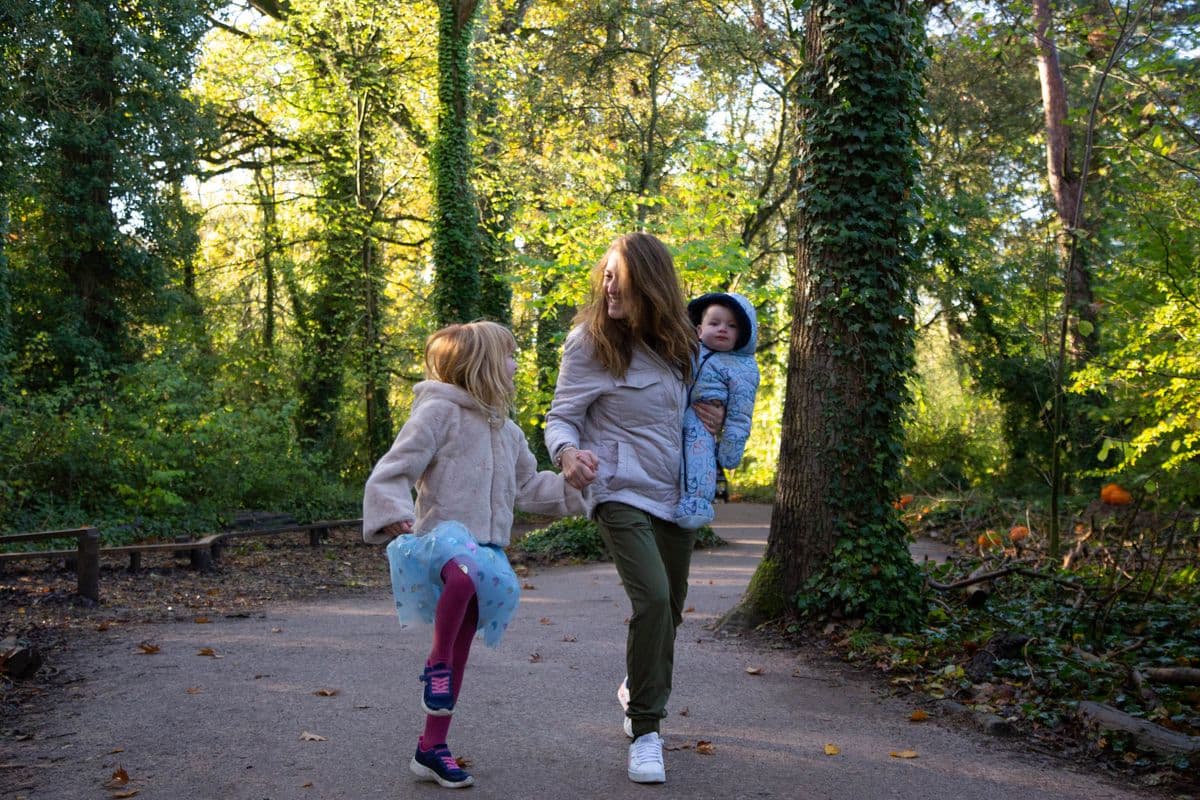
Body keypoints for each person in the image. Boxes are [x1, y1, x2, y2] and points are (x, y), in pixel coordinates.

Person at [362, 321, 584, 789]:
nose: (516, 364)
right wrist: (393, 512)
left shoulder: (508, 431)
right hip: (440, 541)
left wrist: (571, 485)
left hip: (486, 550)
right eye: (509, 356)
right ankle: (436, 662)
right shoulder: (438, 412)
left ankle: (431, 747)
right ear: (481, 364)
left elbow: (528, 486)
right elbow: (395, 467)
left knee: (466, 631)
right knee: (461, 576)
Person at [544, 232, 723, 785]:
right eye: (605, 276)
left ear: (650, 283)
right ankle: (646, 731)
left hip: (676, 493)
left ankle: (637, 684)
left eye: (619, 277)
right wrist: (568, 454)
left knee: (671, 610)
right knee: (653, 599)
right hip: (617, 487)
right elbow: (561, 416)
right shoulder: (589, 343)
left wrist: (713, 416)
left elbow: (700, 403)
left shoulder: (682, 344)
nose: (609, 287)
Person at [674, 292, 760, 529]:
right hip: (672, 412)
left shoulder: (742, 368)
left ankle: (697, 503)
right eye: (715, 323)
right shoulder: (688, 350)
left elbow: (740, 414)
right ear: (699, 330)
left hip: (702, 417)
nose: (723, 329)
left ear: (742, 334)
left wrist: (731, 449)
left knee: (699, 453)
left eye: (732, 326)